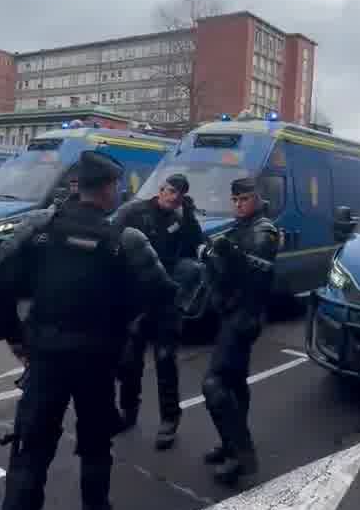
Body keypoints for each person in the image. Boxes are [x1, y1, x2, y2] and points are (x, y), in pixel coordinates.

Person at [0, 149, 177, 510]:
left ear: (75, 186)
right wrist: (128, 329)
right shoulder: (124, 239)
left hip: (46, 360)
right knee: (94, 449)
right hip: (95, 363)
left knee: (29, 456)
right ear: (108, 190)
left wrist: (14, 336)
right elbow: (163, 292)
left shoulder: (40, 227)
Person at [199, 176, 279, 486]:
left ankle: (242, 457)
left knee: (214, 384)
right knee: (233, 383)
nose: (238, 204)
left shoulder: (264, 231)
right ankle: (230, 443)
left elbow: (258, 273)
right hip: (230, 312)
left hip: (244, 317)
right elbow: (223, 266)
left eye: (243, 199)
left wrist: (229, 254)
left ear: (257, 199)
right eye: (234, 200)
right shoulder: (239, 227)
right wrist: (209, 254)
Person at [115, 173, 204, 447]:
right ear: (161, 190)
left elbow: (194, 246)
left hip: (166, 299)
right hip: (135, 299)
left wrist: (188, 214)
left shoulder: (179, 219)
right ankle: (128, 412)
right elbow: (110, 240)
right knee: (130, 361)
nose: (173, 197)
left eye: (179, 194)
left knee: (166, 361)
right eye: (170, 191)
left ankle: (169, 420)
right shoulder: (134, 212)